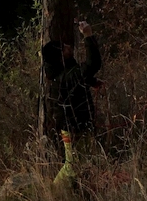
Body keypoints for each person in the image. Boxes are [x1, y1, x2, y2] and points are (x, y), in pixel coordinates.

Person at [42, 21, 101, 186]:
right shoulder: (64, 77)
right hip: (73, 127)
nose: (68, 46)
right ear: (60, 56)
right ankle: (53, 193)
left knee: (82, 162)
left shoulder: (61, 73)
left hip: (76, 125)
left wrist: (90, 81)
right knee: (72, 166)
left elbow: (79, 76)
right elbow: (92, 65)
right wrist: (88, 36)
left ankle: (77, 191)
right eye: (64, 47)